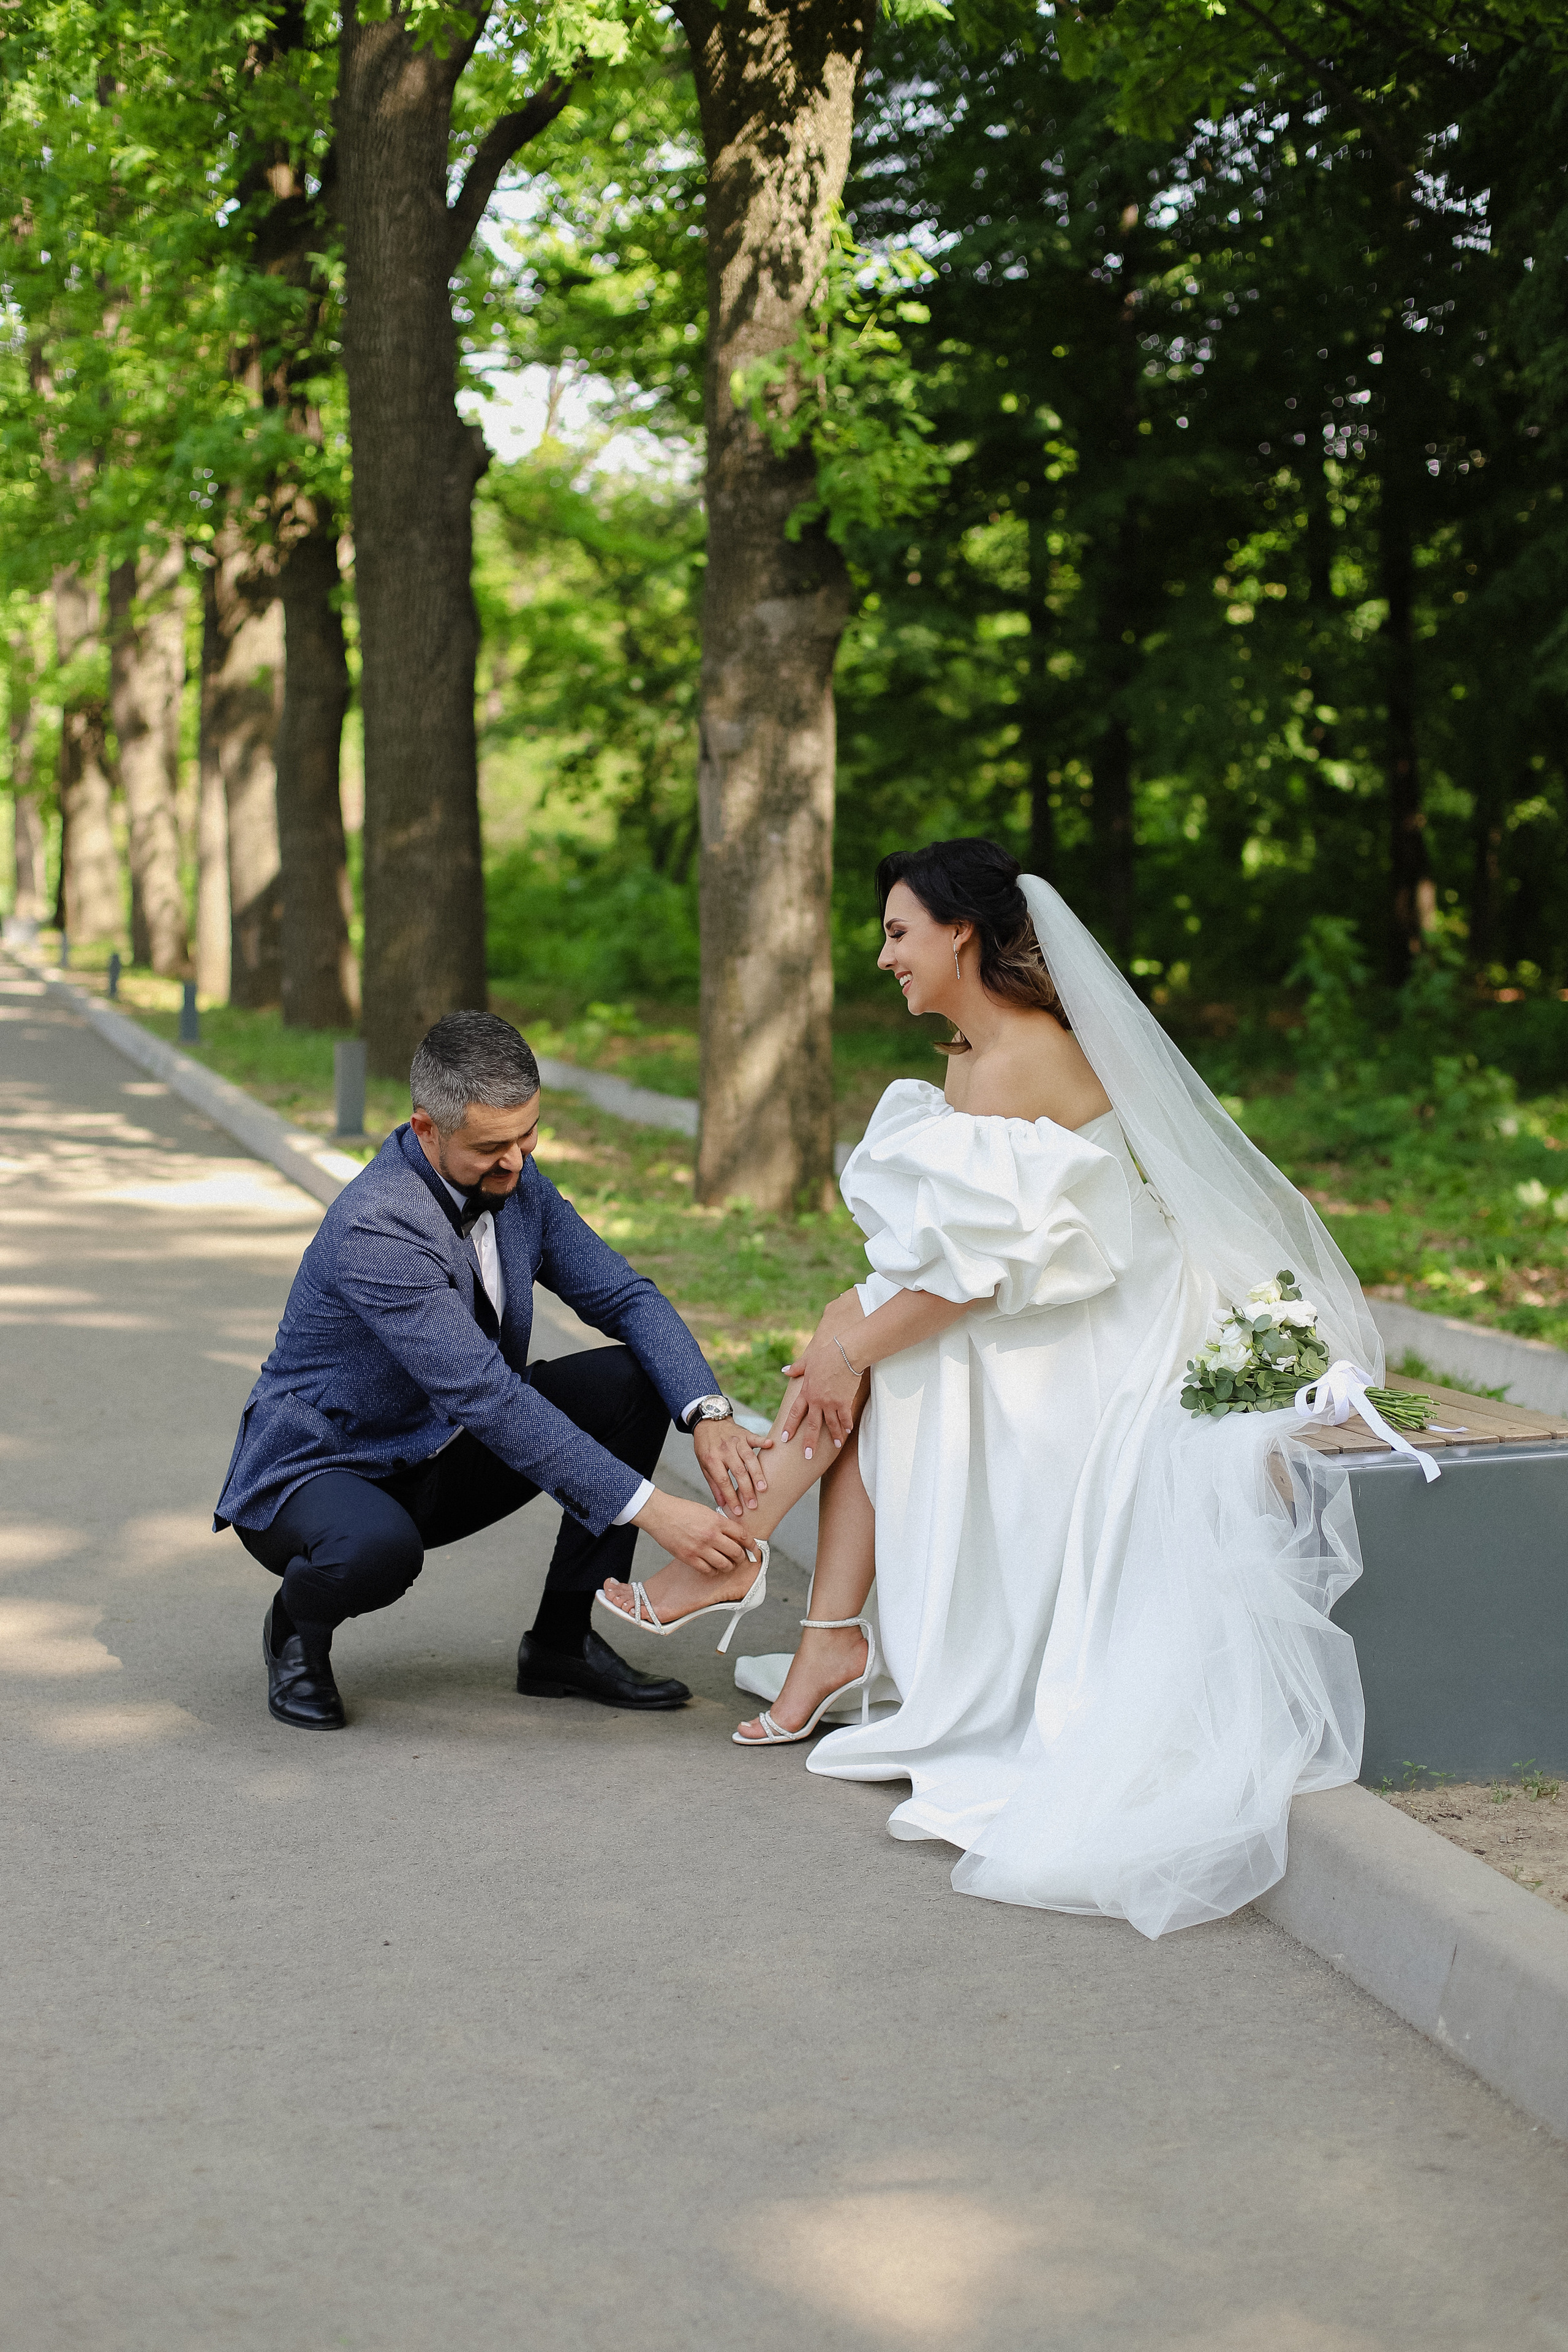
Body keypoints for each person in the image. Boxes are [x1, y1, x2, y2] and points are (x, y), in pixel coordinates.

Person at [600, 840, 1378, 1937]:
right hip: (1037, 1303)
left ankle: (744, 1572)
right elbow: (946, 1255)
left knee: (884, 1364)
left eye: (898, 933)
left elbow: (979, 1278)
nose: (884, 959)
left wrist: (851, 1344)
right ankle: (798, 1614)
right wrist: (842, 1326)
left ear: (961, 932)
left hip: (1116, 1325)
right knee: (865, 1344)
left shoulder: (1025, 1060)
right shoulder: (972, 1053)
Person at [216, 1010, 770, 1730]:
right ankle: (295, 1626)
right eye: (490, 1147)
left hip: (441, 1451)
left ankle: (561, 1645)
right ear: (426, 1130)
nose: (515, 1161)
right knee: (376, 1551)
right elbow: (486, 1395)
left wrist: (707, 1411)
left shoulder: (516, 1183)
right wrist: (658, 1512)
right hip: (324, 1468)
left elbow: (624, 1295)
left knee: (629, 1383)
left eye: (527, 1135)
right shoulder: (377, 1225)